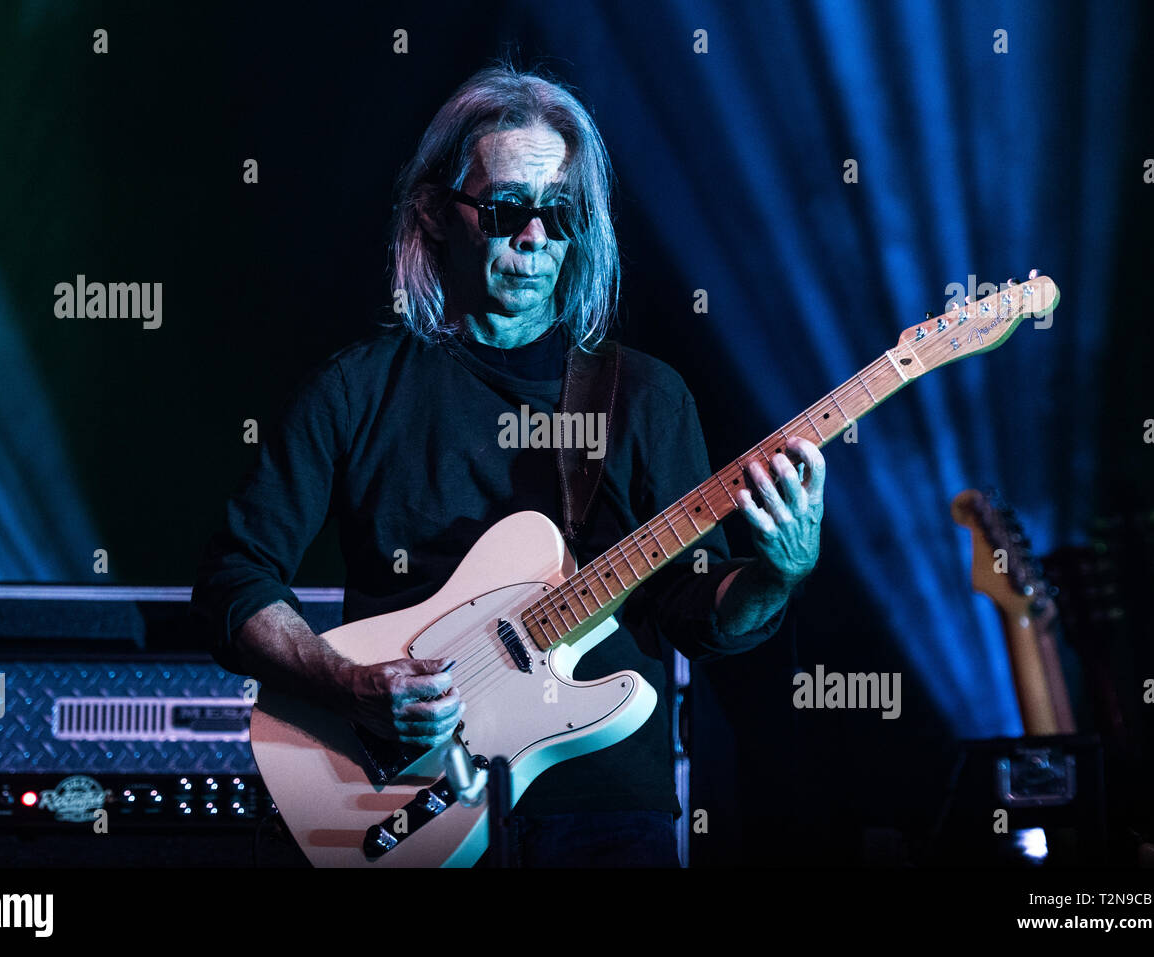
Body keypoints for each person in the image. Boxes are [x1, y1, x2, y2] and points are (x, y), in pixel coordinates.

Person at [191, 63, 825, 867]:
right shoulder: (356, 391)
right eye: (505, 209)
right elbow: (232, 578)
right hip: (397, 800)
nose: (534, 236)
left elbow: (693, 611)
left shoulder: (646, 397)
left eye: (557, 214)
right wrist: (349, 684)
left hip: (603, 816)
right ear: (435, 214)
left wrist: (779, 573)